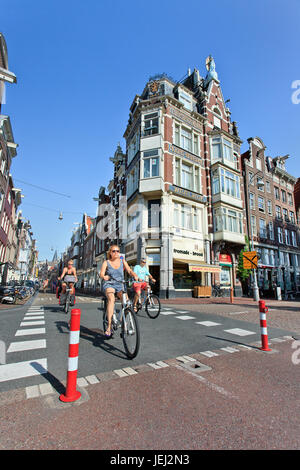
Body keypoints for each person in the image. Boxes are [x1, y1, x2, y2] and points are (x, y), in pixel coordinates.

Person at [99, 244, 138, 338]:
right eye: (114, 251)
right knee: (111, 299)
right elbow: (101, 274)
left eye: (117, 251)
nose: (116, 253)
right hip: (110, 284)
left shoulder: (122, 260)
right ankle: (109, 327)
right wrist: (104, 276)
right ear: (110, 253)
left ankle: (122, 321)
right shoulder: (106, 262)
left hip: (120, 284)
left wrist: (134, 275)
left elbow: (129, 270)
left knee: (127, 303)